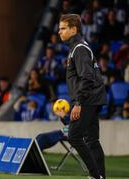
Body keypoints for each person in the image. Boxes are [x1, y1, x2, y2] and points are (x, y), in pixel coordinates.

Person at [58, 14, 107, 179]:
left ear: (74, 29)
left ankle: (95, 175)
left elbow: (86, 77)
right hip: (93, 98)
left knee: (74, 136)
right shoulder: (79, 47)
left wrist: (78, 102)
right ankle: (100, 176)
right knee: (92, 140)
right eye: (59, 29)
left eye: (63, 28)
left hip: (87, 99)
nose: (60, 32)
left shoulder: (79, 48)